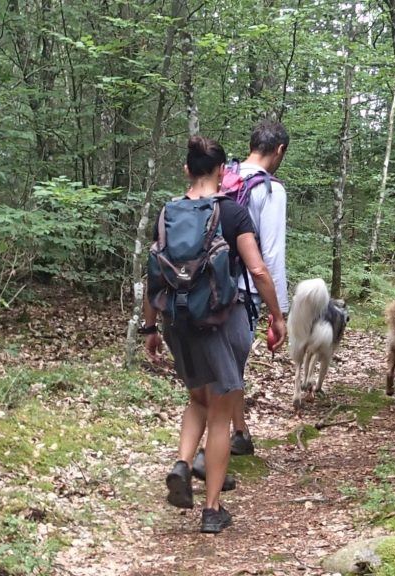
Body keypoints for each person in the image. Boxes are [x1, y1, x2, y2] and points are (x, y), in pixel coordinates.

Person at [143, 135, 287, 534]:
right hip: (223, 320)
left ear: (187, 170)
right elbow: (258, 271)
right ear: (224, 172)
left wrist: (150, 327)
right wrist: (277, 316)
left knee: (197, 400)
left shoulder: (166, 214)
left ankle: (183, 464)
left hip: (178, 322)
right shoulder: (232, 214)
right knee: (221, 414)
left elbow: (153, 275)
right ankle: (212, 510)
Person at [191, 120, 291, 479]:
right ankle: (208, 456)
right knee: (228, 372)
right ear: (279, 150)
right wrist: (279, 310)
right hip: (241, 290)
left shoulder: (223, 175)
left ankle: (240, 433)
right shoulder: (270, 189)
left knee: (224, 368)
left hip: (199, 285)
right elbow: (272, 255)